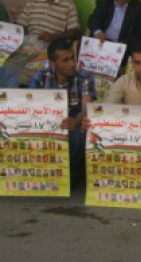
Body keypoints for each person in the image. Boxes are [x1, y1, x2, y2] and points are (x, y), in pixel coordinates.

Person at [30, 38, 96, 183]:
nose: (72, 64)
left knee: (80, 135)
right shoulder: (40, 77)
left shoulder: (85, 76)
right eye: (65, 60)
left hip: (74, 123)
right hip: (45, 123)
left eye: (72, 58)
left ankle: (70, 179)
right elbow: (31, 107)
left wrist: (75, 122)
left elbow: (86, 107)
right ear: (53, 63)